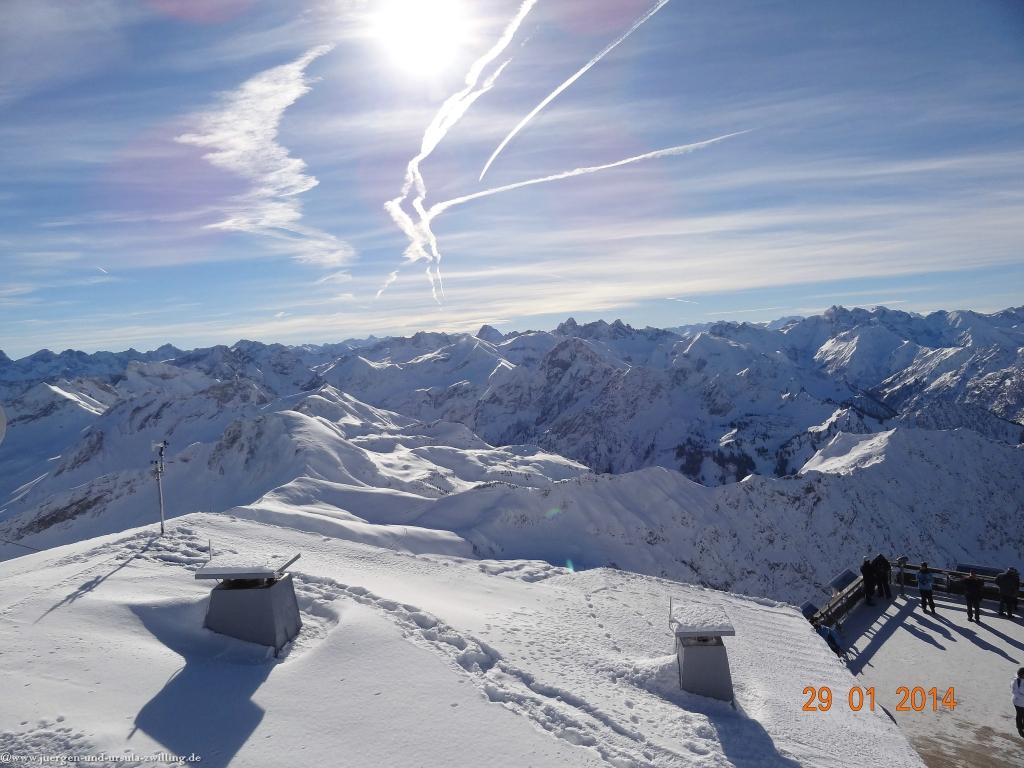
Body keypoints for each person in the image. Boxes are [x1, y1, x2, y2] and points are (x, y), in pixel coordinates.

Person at [1014, 667, 1024, 738]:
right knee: (1020, 715)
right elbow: (1015, 692)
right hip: (1018, 702)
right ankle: (1020, 728)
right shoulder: (1016, 681)